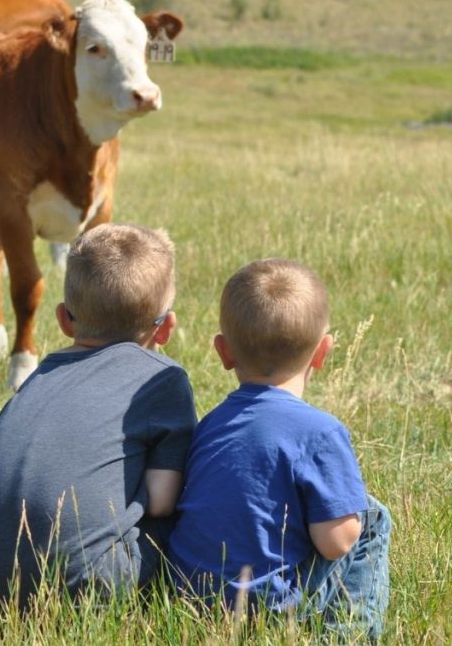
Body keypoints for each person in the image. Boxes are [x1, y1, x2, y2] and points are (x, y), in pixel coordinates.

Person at [0, 223, 197, 608]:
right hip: (84, 585)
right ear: (166, 328)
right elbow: (161, 503)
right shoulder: (163, 380)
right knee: (192, 510)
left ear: (64, 320)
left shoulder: (37, 377)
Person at [167, 258, 391, 639]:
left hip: (187, 598)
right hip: (265, 610)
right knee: (370, 517)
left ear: (223, 352)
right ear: (323, 352)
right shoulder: (321, 432)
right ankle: (347, 634)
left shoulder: (209, 425)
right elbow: (336, 544)